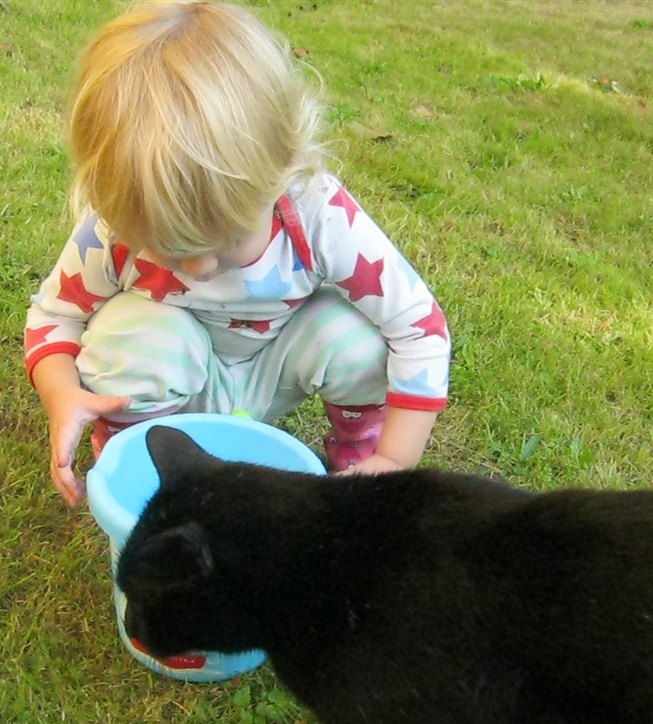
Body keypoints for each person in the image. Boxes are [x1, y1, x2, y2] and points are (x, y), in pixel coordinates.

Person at [25, 0, 451, 507]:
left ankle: (358, 463)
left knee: (361, 341)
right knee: (129, 337)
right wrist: (62, 393)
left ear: (283, 171)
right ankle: (142, 460)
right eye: (168, 248)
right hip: (176, 371)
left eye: (227, 239)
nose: (200, 269)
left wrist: (396, 459)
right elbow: (55, 316)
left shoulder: (318, 215)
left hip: (275, 370)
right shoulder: (114, 226)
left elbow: (419, 328)